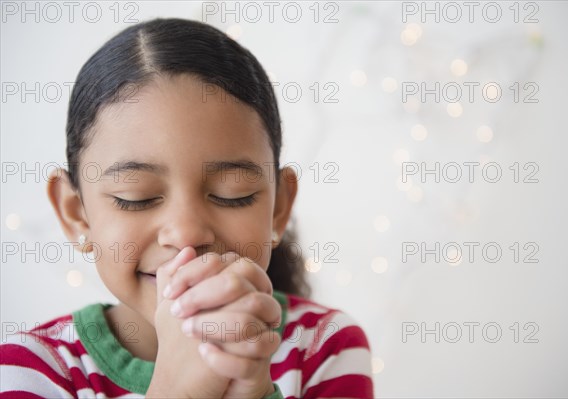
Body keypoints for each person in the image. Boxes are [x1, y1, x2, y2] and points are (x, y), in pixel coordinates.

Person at [0, 18, 373, 398]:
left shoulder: (323, 346)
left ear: (279, 208)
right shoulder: (31, 369)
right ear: (75, 213)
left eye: (233, 193)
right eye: (136, 197)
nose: (186, 232)